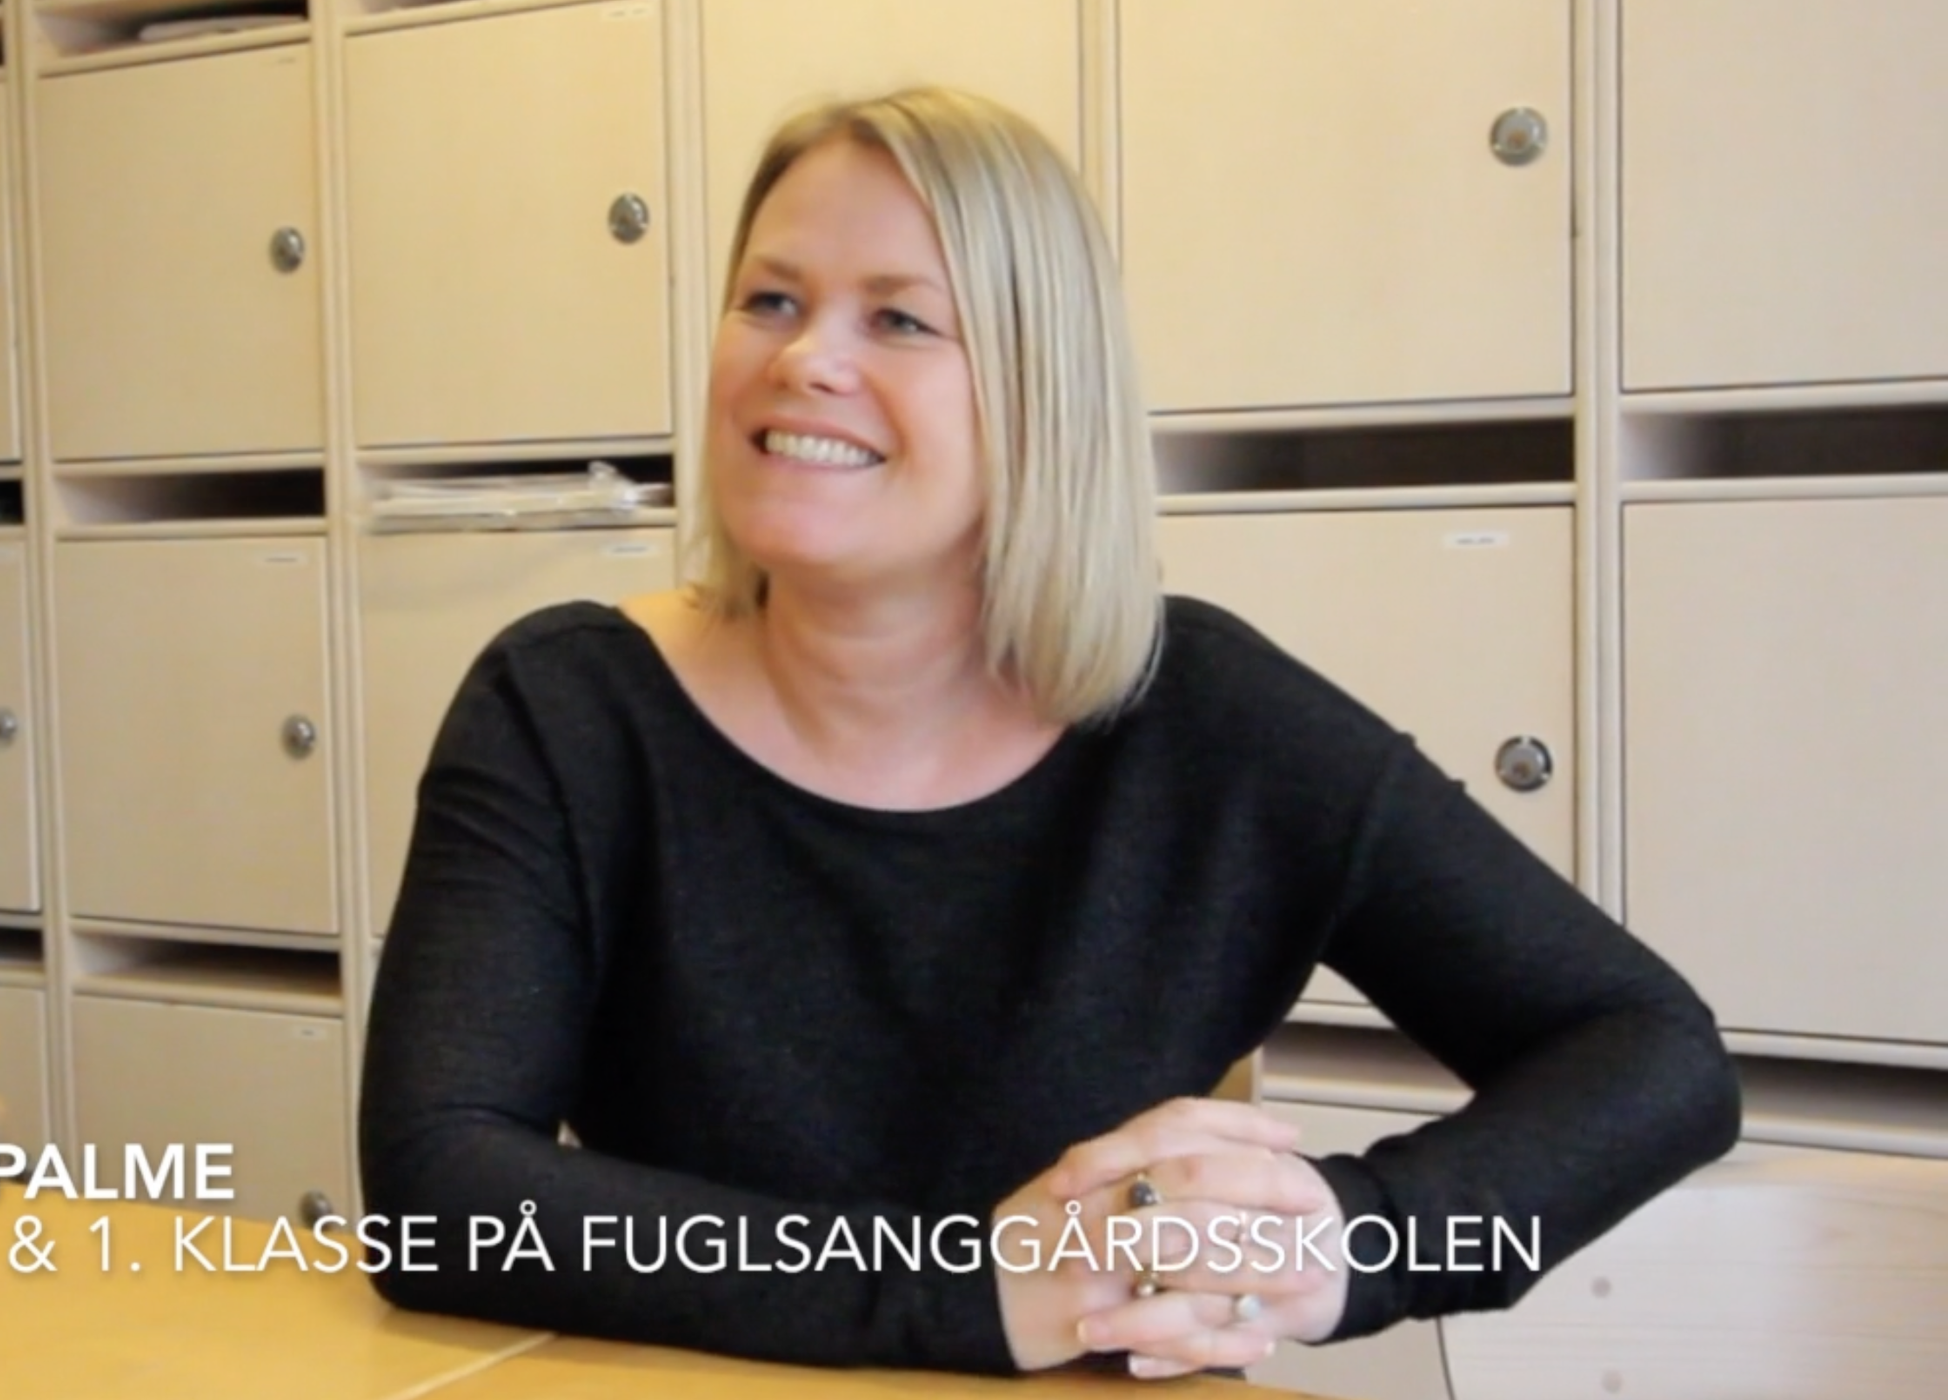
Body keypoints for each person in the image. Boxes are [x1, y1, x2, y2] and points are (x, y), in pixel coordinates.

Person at [357, 86, 1740, 1379]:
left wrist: (1357, 1244)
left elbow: (1656, 1058)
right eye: (769, 300)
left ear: (1038, 391)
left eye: (899, 320)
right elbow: (440, 1190)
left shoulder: (1209, 717)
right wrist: (965, 1290)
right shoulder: (564, 709)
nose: (804, 361)